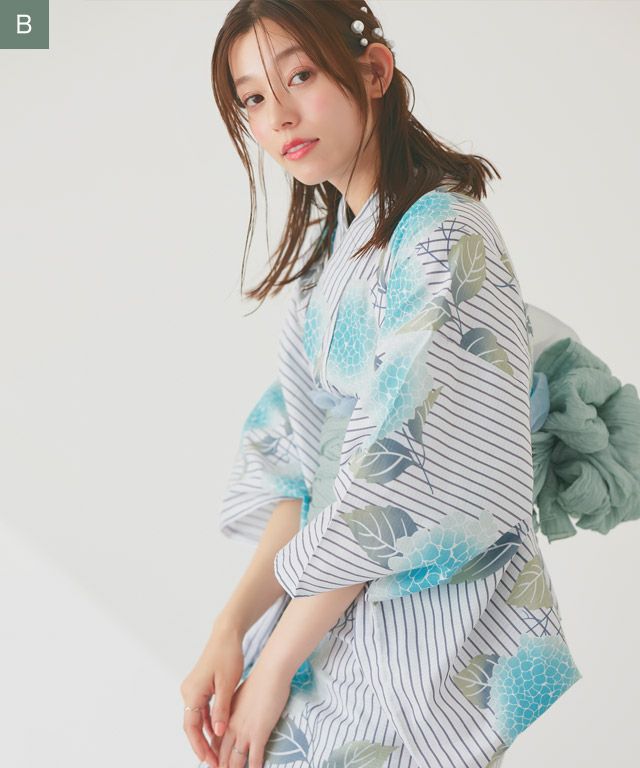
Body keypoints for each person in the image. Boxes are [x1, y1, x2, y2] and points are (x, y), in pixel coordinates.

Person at [181, 1, 640, 766]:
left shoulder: (444, 236)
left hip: (412, 643)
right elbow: (297, 466)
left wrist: (278, 665)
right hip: (324, 627)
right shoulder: (327, 269)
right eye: (253, 97)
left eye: (301, 75)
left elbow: (393, 483)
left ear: (373, 71)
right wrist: (230, 630)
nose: (279, 114)